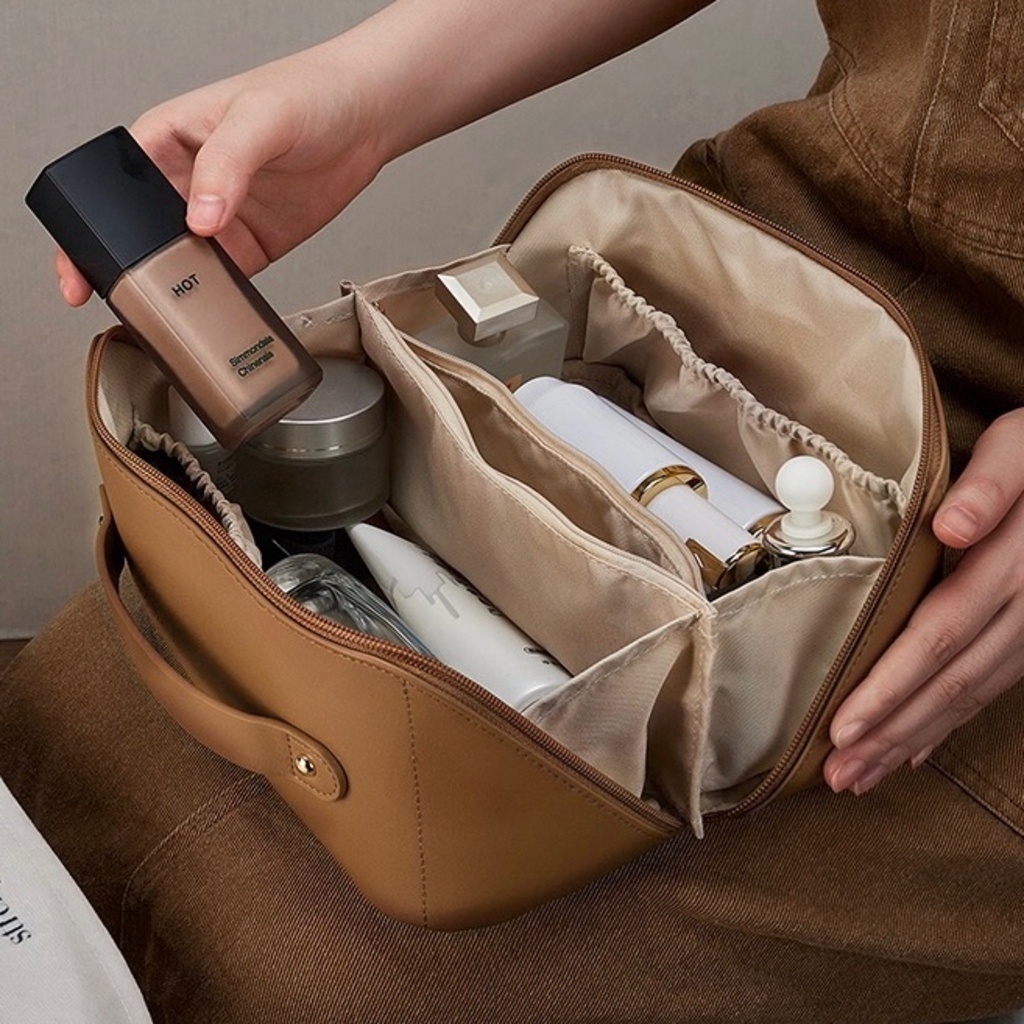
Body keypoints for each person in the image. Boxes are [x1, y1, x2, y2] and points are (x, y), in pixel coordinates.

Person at [43, 1, 1024, 1019]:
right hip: (739, 280)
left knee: (325, 986)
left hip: (970, 568)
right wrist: (364, 91)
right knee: (64, 713)